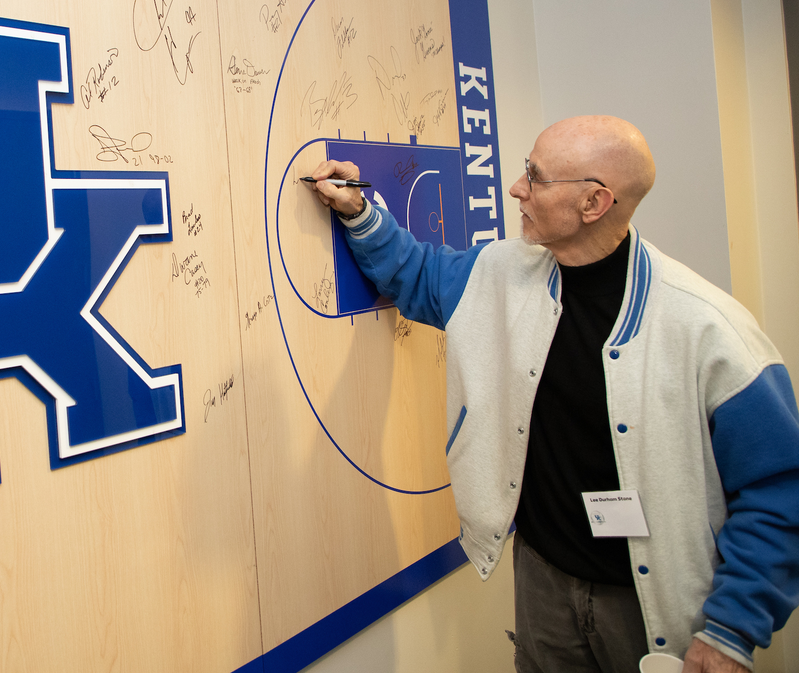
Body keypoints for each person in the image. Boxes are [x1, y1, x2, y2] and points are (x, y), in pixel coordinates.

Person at [306, 115, 799, 673]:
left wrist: (733, 630)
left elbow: (780, 491)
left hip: (652, 604)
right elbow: (416, 274)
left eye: (534, 178)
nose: (517, 188)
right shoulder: (501, 273)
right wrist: (358, 210)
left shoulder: (710, 331)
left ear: (594, 204)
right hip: (543, 578)